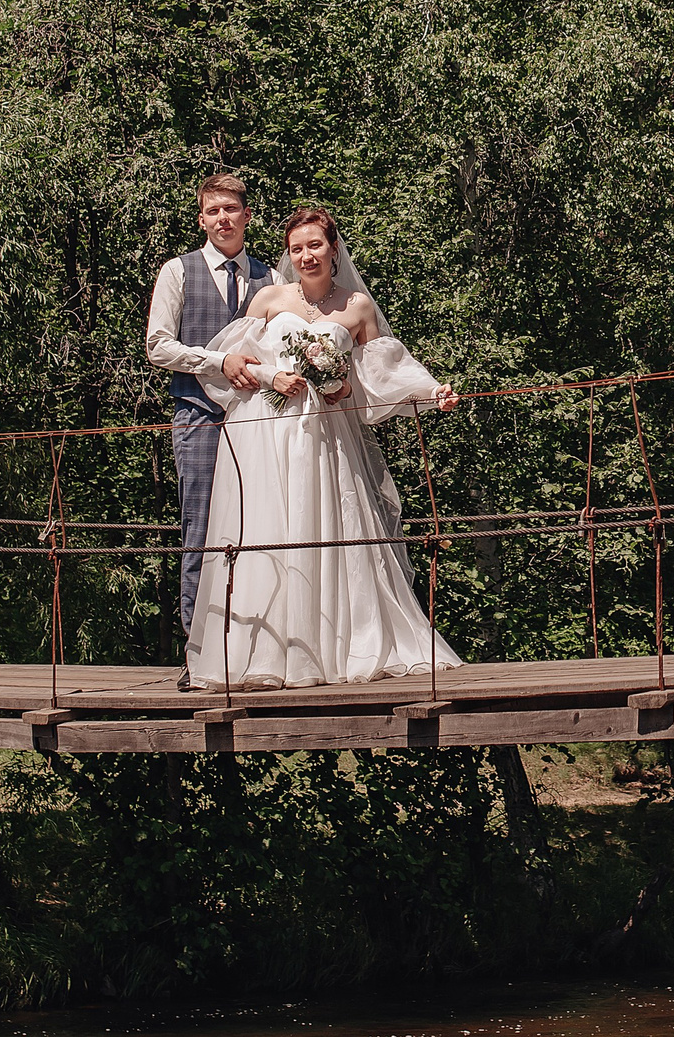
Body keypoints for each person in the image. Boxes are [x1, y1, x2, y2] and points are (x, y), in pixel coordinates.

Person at [180, 205, 462, 688]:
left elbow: (382, 373)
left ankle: (338, 649)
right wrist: (274, 374)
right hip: (265, 431)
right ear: (287, 255)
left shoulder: (357, 308)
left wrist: (429, 391)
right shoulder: (268, 298)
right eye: (296, 249)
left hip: (326, 437)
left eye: (315, 245)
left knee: (329, 525)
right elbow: (236, 367)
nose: (306, 256)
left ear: (333, 247)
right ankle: (265, 653)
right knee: (267, 530)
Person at [144, 173, 275, 636]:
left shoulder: (272, 278)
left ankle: (252, 644)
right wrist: (220, 361)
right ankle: (196, 648)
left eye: (231, 209)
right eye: (213, 211)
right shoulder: (177, 271)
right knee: (199, 528)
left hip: (257, 420)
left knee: (259, 528)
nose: (223, 218)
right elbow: (158, 347)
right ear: (202, 219)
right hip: (197, 417)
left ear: (247, 216)